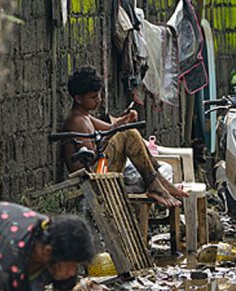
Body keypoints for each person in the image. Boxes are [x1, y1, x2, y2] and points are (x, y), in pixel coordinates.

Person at [61, 66, 188, 208]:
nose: (99, 100)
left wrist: (126, 119)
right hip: (89, 178)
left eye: (99, 95)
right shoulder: (76, 121)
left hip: (99, 170)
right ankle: (155, 183)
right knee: (129, 134)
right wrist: (116, 130)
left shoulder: (86, 116)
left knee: (128, 131)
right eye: (93, 97)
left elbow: (110, 128)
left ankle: (158, 181)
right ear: (78, 98)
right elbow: (91, 157)